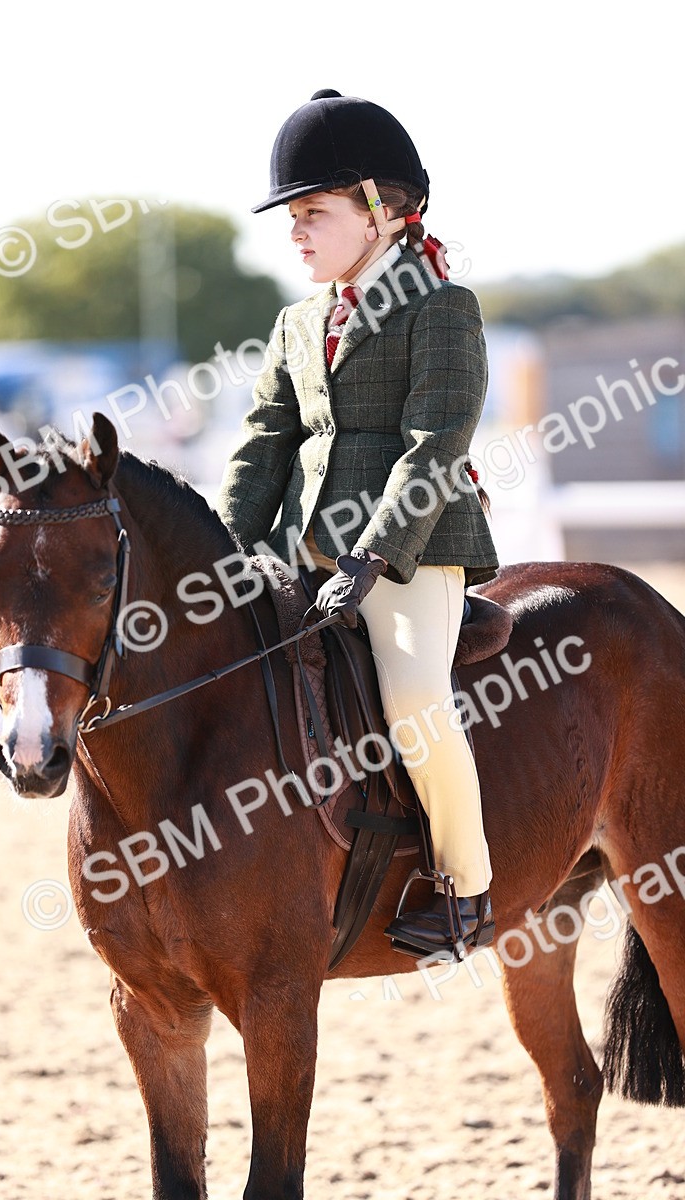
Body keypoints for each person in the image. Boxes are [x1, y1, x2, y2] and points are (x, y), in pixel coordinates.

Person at [215, 89, 499, 956]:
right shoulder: (298, 321)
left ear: (379, 210)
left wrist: (374, 557)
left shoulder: (441, 308)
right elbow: (267, 441)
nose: (295, 232)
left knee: (413, 702)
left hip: (409, 558)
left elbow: (436, 441)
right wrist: (222, 549)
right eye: (291, 218)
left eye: (312, 213)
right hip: (303, 552)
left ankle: (467, 889)